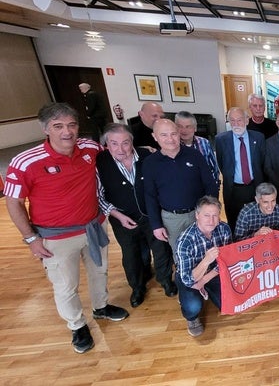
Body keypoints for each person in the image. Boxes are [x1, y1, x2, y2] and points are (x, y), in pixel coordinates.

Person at [5, 103, 128, 354]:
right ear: (45, 129)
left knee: (99, 272)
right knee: (65, 285)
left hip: (93, 227)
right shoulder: (25, 161)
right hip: (56, 238)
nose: (67, 132)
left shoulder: (91, 149)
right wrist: (30, 239)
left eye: (72, 125)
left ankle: (101, 307)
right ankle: (77, 325)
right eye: (58, 126)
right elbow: (14, 202)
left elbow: (117, 151)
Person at [97, 123, 175, 307]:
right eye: (114, 144)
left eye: (125, 143)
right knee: (131, 255)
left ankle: (166, 280)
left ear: (132, 141)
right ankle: (137, 287)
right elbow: (98, 196)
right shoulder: (100, 162)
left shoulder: (148, 155)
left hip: (151, 215)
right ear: (107, 144)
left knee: (161, 249)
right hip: (121, 218)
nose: (120, 149)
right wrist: (117, 215)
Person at [143, 118, 218, 288]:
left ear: (179, 134)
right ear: (155, 137)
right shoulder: (150, 163)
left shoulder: (194, 155)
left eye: (173, 134)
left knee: (204, 249)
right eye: (164, 135)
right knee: (180, 255)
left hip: (198, 215)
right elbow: (150, 196)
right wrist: (156, 225)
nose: (170, 139)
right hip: (171, 219)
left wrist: (211, 212)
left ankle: (206, 283)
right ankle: (188, 288)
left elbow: (210, 184)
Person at [176, 196, 232, 337]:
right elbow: (189, 280)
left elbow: (227, 261)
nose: (211, 220)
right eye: (206, 215)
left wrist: (203, 281)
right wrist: (206, 260)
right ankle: (192, 319)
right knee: (193, 307)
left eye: (215, 215)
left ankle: (206, 290)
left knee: (227, 304)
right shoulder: (185, 241)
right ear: (197, 215)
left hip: (214, 272)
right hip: (190, 275)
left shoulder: (224, 229)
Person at [215, 107, 266, 231]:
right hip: (233, 189)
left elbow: (263, 161)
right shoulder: (221, 139)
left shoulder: (258, 137)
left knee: (257, 221)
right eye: (232, 121)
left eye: (239, 120)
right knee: (234, 223)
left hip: (255, 187)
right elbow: (221, 164)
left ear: (247, 121)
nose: (236, 124)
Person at [175, 111, 220, 186]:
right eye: (180, 126)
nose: (184, 130)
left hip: (204, 190)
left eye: (188, 126)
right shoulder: (171, 146)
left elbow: (213, 169)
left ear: (195, 128)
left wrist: (214, 187)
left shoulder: (205, 143)